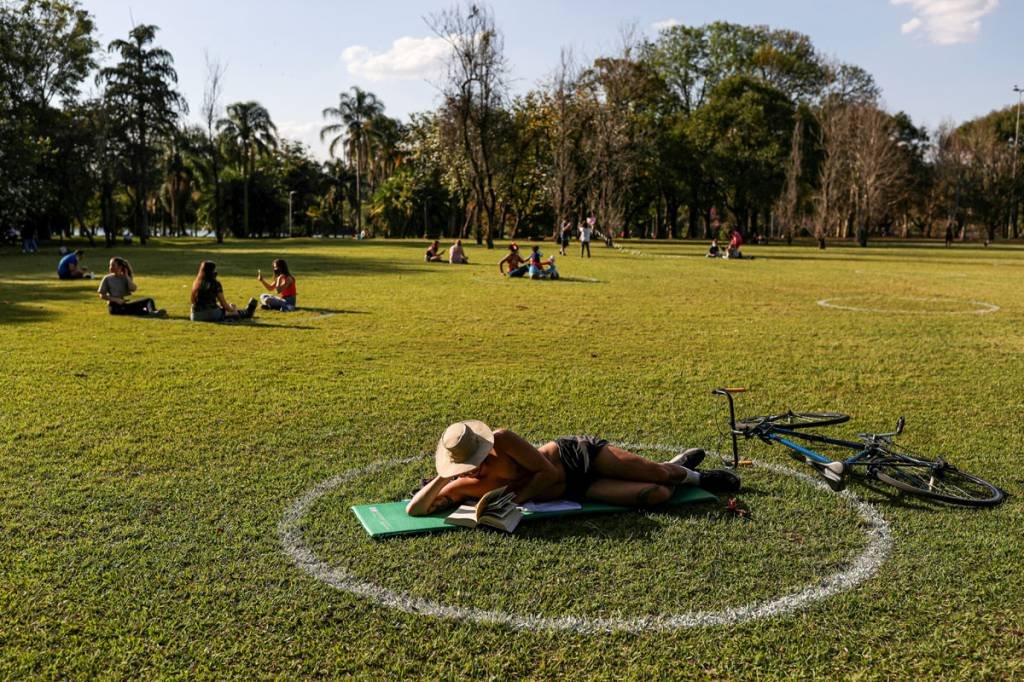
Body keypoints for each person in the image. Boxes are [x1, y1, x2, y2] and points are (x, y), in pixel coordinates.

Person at [406, 421, 740, 516]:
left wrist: (517, 498)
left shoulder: (503, 441)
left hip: (577, 458)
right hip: (576, 490)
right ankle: (673, 470)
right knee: (657, 494)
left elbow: (548, 473)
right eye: (465, 468)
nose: (473, 471)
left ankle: (695, 475)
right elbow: (415, 511)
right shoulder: (462, 483)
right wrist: (441, 478)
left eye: (476, 463)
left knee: (660, 475)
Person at [189, 260, 258, 322]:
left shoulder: (196, 283)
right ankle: (247, 312)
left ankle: (246, 311)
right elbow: (224, 305)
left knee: (223, 310)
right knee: (231, 312)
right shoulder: (215, 284)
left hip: (195, 316)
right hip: (209, 314)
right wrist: (232, 309)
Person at [97, 257, 166, 317]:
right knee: (139, 311)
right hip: (114, 307)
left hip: (124, 304)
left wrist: (127, 277)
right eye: (110, 265)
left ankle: (152, 312)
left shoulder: (125, 278)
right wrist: (116, 300)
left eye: (113, 265)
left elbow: (133, 289)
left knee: (149, 300)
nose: (110, 267)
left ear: (120, 267)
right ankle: (151, 312)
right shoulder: (107, 278)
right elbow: (102, 295)